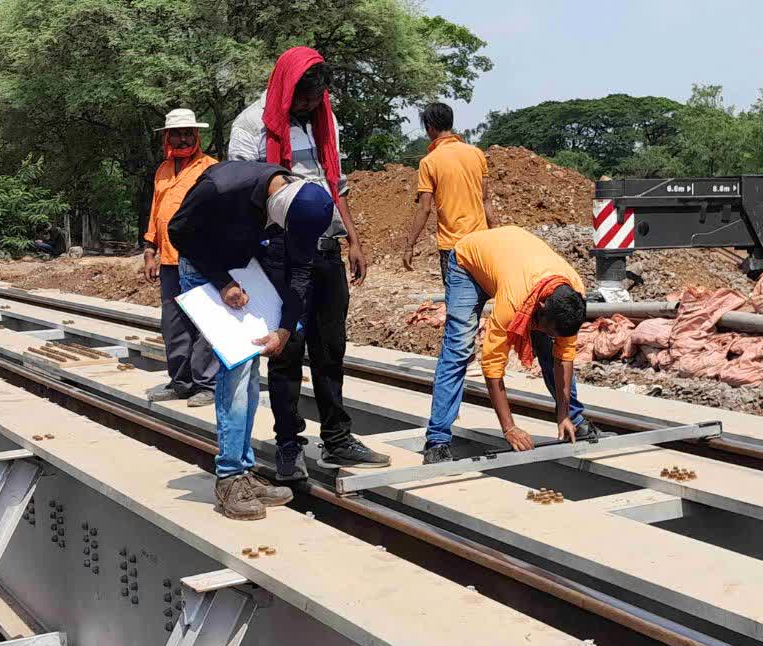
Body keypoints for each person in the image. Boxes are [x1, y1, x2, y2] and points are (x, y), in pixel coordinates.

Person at [228, 46, 388, 478]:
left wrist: (352, 238)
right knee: (287, 350)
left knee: (330, 347)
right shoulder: (251, 124)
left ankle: (336, 438)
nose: (309, 107)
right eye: (302, 100)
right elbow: (241, 191)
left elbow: (336, 184)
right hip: (278, 252)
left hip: (325, 248)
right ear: (286, 88)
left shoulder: (325, 120)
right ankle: (288, 443)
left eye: (316, 99)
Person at [168, 160, 338, 520]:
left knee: (252, 362)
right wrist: (222, 282)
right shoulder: (221, 187)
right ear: (275, 208)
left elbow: (300, 274)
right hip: (203, 266)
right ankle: (229, 477)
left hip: (245, 267)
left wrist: (285, 329)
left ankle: (242, 470)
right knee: (238, 366)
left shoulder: (300, 209)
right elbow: (179, 232)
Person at [422, 226, 601, 464]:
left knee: (548, 347)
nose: (543, 332)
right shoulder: (513, 302)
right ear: (540, 308)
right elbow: (492, 366)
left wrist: (564, 413)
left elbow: (564, 358)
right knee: (458, 348)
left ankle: (574, 421)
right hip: (468, 263)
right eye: (544, 327)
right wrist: (509, 428)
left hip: (511, 260)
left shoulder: (572, 297)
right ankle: (437, 441)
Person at [142, 109, 220, 407]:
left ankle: (207, 385)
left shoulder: (210, 168)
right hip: (170, 261)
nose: (184, 138)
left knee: (204, 321)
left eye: (189, 132)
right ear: (168, 137)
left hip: (200, 258)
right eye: (177, 133)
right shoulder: (162, 170)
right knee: (174, 324)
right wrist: (150, 249)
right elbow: (156, 211)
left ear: (197, 135)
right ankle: (181, 382)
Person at [402, 101, 495, 274]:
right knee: (480, 293)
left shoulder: (429, 162)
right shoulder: (476, 154)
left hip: (452, 245)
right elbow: (485, 198)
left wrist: (409, 246)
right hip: (480, 241)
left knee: (455, 297)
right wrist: (495, 234)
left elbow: (424, 208)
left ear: (430, 127)